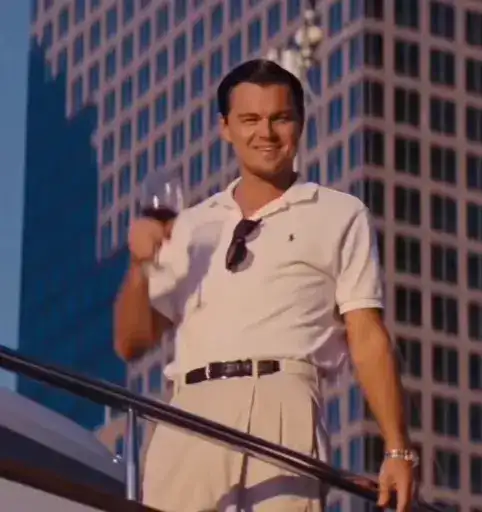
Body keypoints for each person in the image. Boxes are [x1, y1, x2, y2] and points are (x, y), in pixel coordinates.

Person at [114, 59, 417, 512]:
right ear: (226, 128)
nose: (266, 133)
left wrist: (398, 450)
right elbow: (131, 343)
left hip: (284, 402)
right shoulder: (190, 224)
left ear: (300, 123)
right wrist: (139, 268)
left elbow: (367, 335)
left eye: (280, 118)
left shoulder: (339, 213)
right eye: (250, 119)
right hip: (190, 410)